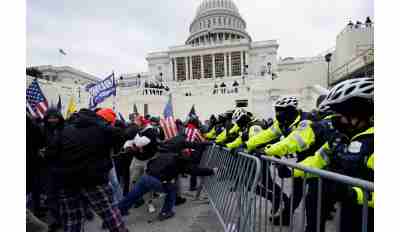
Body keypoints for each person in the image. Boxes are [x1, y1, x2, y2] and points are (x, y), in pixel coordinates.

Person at [294, 78, 374, 232]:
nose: (338, 119)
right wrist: (294, 170)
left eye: (342, 114)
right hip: (349, 214)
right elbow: (318, 159)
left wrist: (352, 193)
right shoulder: (341, 138)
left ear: (362, 114)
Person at [45, 108, 128, 232]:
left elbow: (50, 155)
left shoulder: (63, 129)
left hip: (67, 182)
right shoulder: (100, 128)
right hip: (94, 180)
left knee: (72, 222)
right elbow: (121, 135)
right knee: (111, 216)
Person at [244, 96, 313, 222]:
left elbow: (291, 142)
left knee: (314, 198)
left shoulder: (306, 121)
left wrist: (266, 150)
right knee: (297, 190)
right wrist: (248, 144)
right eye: (276, 111)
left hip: (318, 160)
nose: (277, 114)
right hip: (304, 159)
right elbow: (266, 135)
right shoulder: (283, 123)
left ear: (291, 111)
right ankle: (286, 217)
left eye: (281, 111)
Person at [118, 137, 216, 221]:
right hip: (155, 180)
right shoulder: (181, 162)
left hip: (146, 177)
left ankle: (117, 213)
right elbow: (196, 171)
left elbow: (151, 163)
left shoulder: (165, 154)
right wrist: (211, 171)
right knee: (172, 189)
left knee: (133, 195)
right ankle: (165, 212)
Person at [27, 115, 48, 232]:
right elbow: (41, 143)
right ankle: (37, 208)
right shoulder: (34, 127)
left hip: (32, 161)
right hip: (34, 161)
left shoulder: (33, 127)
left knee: (34, 187)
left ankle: (36, 208)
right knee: (35, 186)